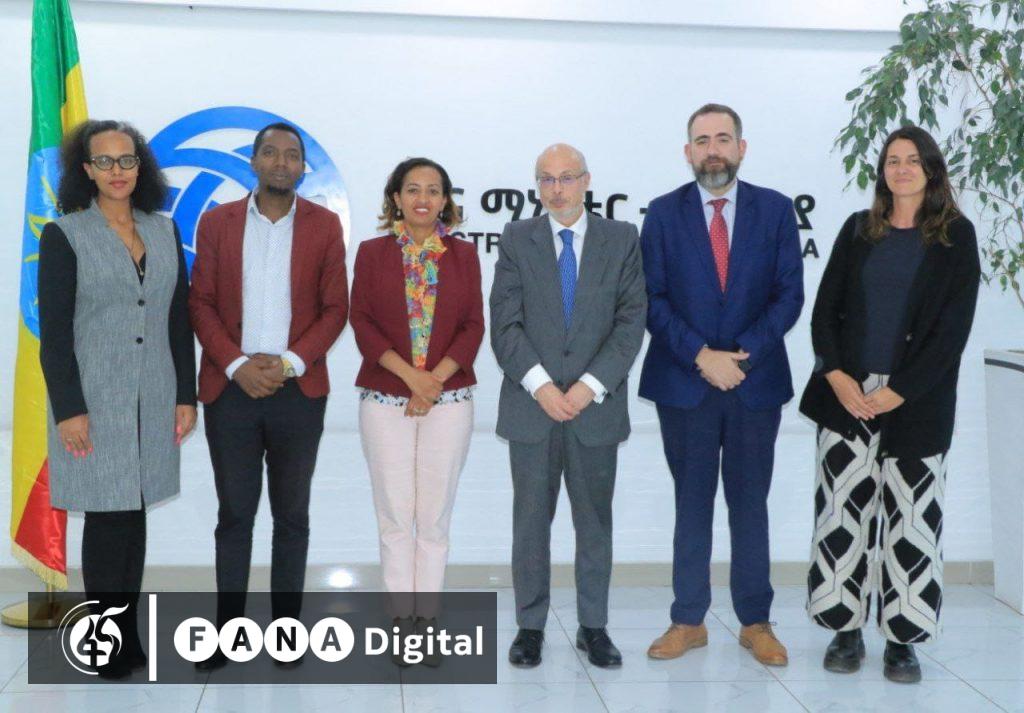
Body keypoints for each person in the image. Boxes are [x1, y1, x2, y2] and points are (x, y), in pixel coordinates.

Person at [800, 125, 980, 683]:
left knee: (912, 522)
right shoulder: (859, 230)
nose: (901, 169)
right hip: (848, 397)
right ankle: (844, 629)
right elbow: (825, 312)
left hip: (917, 399)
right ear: (882, 170)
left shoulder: (956, 236)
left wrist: (899, 390)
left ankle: (903, 640)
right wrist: (836, 376)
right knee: (841, 516)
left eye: (912, 160)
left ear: (931, 169)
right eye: (892, 160)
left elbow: (952, 332)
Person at [640, 103, 803, 667]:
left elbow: (788, 295)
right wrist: (701, 356)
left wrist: (741, 358)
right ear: (688, 151)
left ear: (741, 147)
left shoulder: (776, 210)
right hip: (685, 382)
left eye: (723, 139)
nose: (713, 150)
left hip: (754, 383)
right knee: (691, 503)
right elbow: (652, 299)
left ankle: (755, 622)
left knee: (749, 503)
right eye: (702, 140)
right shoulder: (663, 213)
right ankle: (688, 621)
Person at [38, 119, 197, 679]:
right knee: (108, 520)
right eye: (103, 161)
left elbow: (177, 321)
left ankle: (126, 636)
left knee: (134, 515)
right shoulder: (65, 235)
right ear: (86, 170)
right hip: (94, 401)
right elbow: (55, 334)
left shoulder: (163, 230)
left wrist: (185, 395)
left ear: (140, 166)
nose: (116, 171)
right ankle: (105, 644)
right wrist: (69, 409)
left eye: (126, 160)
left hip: (154, 397)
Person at [188, 122, 349, 671]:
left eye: (292, 155)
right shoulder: (217, 222)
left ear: (303, 167)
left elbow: (336, 309)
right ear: (253, 161)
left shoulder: (325, 226)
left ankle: (286, 635)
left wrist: (287, 363)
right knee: (234, 516)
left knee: (292, 517)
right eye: (271, 153)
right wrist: (236, 365)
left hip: (297, 390)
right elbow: (200, 303)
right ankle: (227, 634)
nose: (282, 162)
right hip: (231, 389)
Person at [490, 143, 647, 669]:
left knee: (594, 523)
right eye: (546, 179)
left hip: (594, 408)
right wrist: (541, 386)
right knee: (530, 524)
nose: (556, 189)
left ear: (586, 181)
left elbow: (631, 322)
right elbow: (505, 323)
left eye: (566, 178)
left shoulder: (621, 239)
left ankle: (593, 627)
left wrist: (588, 386)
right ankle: (530, 627)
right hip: (532, 407)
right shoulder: (517, 238)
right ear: (537, 185)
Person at [350, 157, 484, 667]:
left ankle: (426, 622)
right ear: (396, 198)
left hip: (449, 401)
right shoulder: (372, 253)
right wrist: (413, 379)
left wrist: (434, 382)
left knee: (433, 517)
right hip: (386, 398)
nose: (422, 198)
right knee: (394, 516)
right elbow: (361, 322)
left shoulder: (464, 255)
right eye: (412, 189)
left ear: (445, 199)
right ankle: (399, 621)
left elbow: (473, 325)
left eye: (433, 190)